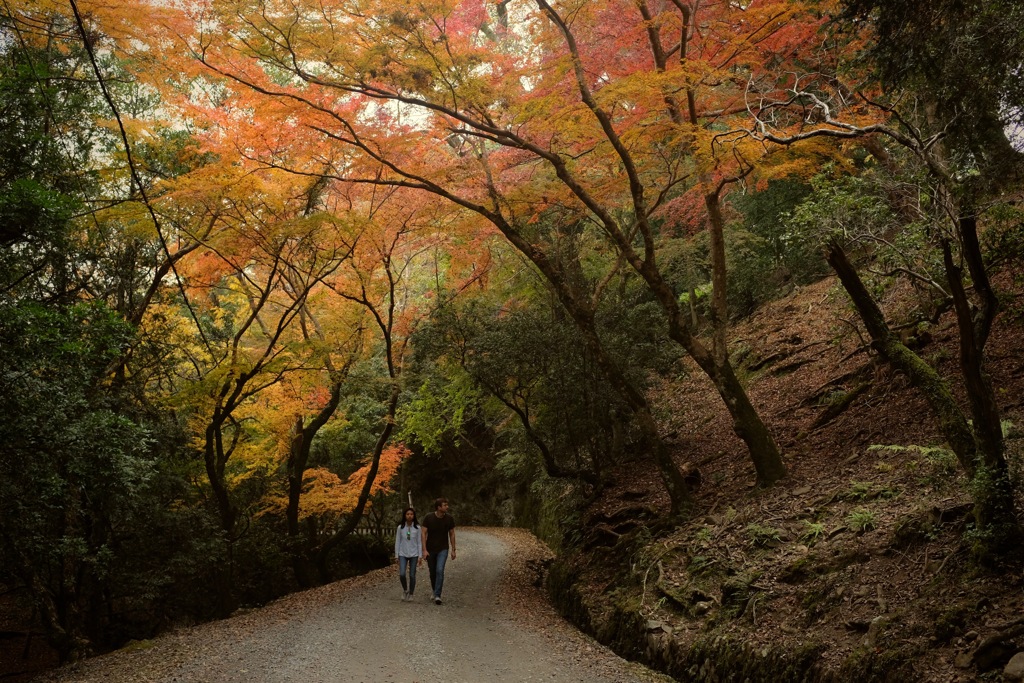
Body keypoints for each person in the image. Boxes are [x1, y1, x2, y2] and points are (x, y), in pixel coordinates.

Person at [421, 497, 456, 605]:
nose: (447, 507)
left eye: (447, 505)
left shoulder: (449, 518)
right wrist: (424, 550)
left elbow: (452, 533)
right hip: (430, 549)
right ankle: (434, 590)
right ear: (438, 507)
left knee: (439, 570)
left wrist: (453, 549)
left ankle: (437, 595)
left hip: (443, 549)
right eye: (445, 505)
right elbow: (423, 533)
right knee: (432, 572)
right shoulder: (428, 517)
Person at [394, 507, 422, 602]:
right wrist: (396, 555)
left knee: (412, 575)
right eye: (408, 514)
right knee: (402, 574)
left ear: (414, 516)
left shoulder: (417, 528)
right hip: (402, 553)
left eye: (411, 514)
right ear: (405, 516)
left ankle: (411, 593)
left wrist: (420, 556)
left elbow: (419, 542)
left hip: (414, 554)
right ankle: (405, 589)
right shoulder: (400, 527)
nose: (409, 516)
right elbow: (398, 541)